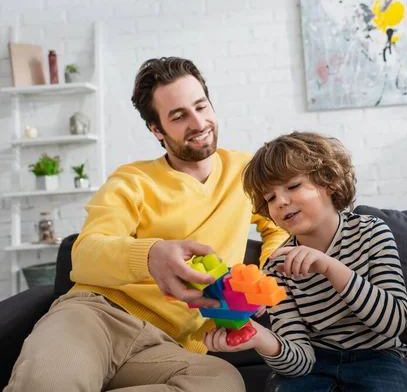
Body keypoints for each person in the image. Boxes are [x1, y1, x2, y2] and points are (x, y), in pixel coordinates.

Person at [6, 57, 288, 391]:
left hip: (168, 347)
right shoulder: (132, 180)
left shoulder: (246, 171)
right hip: (96, 318)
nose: (198, 122)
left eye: (201, 106)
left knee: (221, 383)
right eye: (179, 116)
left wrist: (269, 271)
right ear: (156, 129)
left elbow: (279, 223)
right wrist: (151, 255)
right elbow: (85, 253)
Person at [203, 131, 407, 392]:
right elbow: (300, 364)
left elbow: (392, 323)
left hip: (379, 357)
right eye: (270, 198)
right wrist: (259, 337)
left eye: (292, 186)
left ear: (328, 182)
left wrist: (330, 267)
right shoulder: (276, 267)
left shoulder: (372, 233)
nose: (281, 201)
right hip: (314, 362)